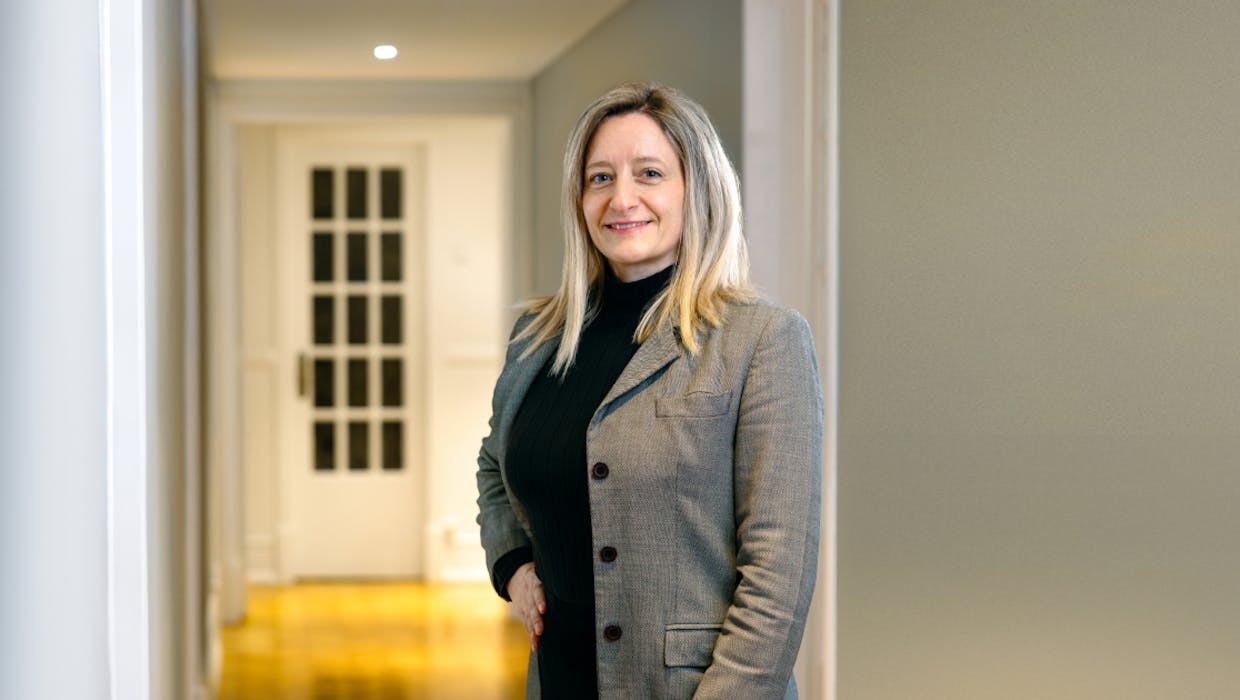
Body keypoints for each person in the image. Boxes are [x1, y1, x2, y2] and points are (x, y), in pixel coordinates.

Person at [476, 82, 822, 700]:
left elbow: (778, 572)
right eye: (600, 177)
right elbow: (494, 463)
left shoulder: (761, 340)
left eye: (650, 173)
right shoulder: (539, 335)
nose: (621, 199)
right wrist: (513, 565)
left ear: (698, 190)